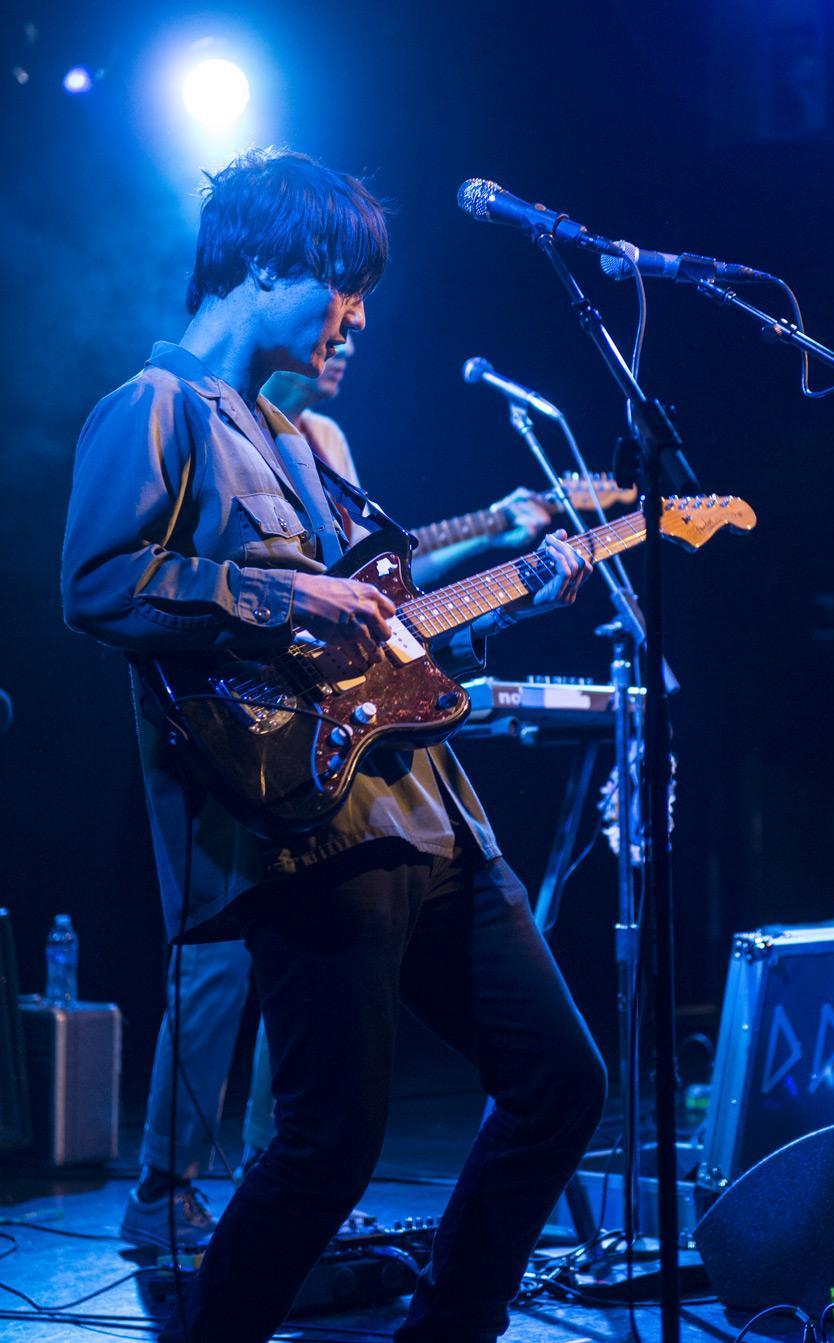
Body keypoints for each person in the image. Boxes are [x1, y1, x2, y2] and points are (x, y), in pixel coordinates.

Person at [62, 148, 606, 1343]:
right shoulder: (154, 407)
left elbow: (377, 626)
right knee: (329, 1141)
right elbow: (96, 583)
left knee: (561, 1083)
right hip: (310, 829)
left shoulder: (308, 443)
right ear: (266, 264)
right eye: (343, 286)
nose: (356, 316)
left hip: (437, 817)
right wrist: (289, 595)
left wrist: (516, 588)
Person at [118, 321, 551, 1254]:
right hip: (233, 743)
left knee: (307, 1019)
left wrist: (506, 568)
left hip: (324, 753)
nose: (350, 335)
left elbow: (380, 597)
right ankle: (165, 1186)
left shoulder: (325, 446)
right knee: (214, 971)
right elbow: (119, 583)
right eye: (340, 309)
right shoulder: (177, 410)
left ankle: (272, 1176)